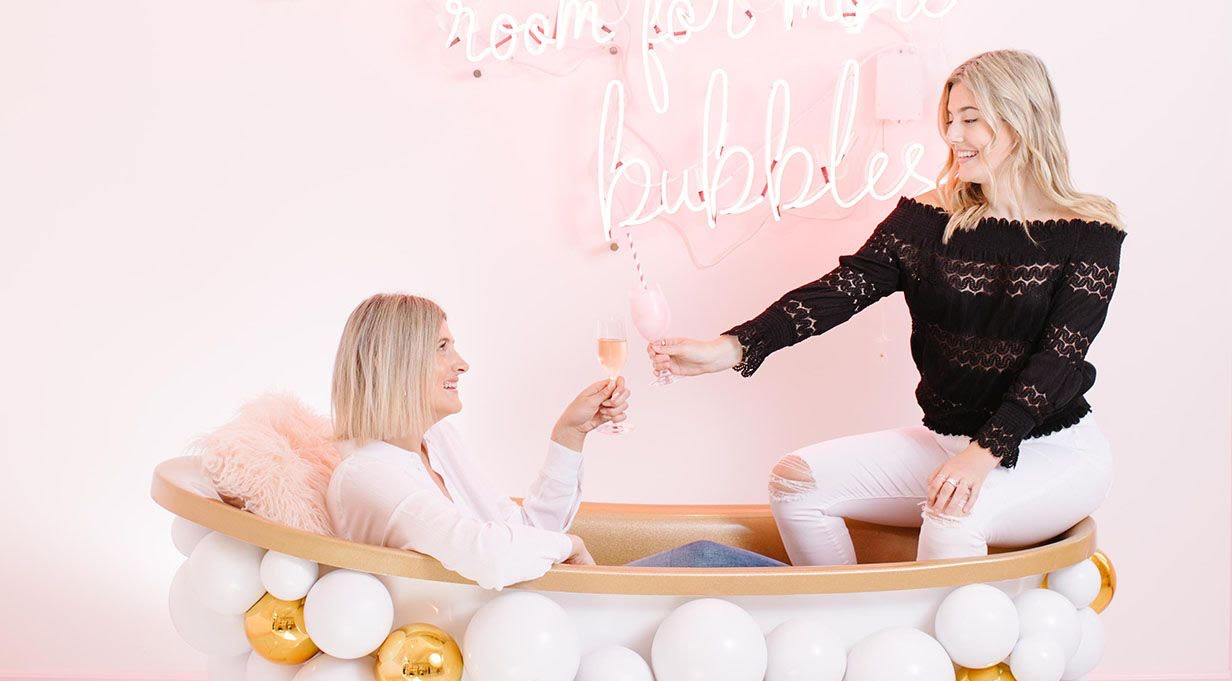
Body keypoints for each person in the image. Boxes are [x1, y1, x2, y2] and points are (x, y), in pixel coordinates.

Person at [649, 50, 1127, 566]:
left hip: (1050, 451)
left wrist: (982, 455)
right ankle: (841, 628)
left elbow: (1058, 362)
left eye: (971, 120)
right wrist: (736, 345)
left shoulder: (1090, 235)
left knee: (953, 514)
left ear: (1023, 120)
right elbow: (842, 288)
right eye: (949, 120)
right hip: (947, 443)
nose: (954, 136)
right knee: (797, 483)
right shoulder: (924, 219)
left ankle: (932, 650)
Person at [326, 294, 781, 591]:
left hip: (535, 611)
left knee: (708, 561)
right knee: (704, 560)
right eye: (442, 347)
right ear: (396, 362)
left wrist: (569, 434)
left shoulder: (437, 442)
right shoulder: (370, 473)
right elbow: (490, 558)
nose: (461, 363)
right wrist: (570, 548)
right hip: (504, 638)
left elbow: (524, 531)